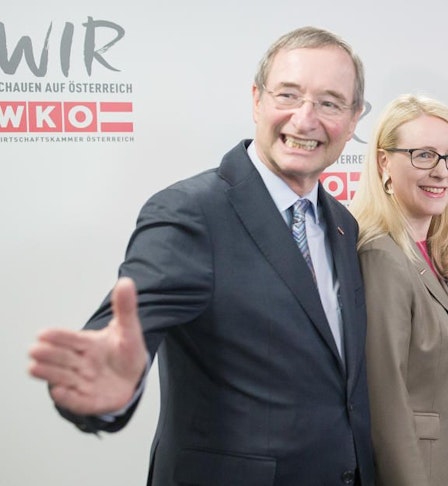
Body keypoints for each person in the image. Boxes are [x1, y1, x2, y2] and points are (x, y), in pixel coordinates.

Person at [27, 27, 374, 486]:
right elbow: (123, 330)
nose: (305, 119)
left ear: (352, 121)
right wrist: (111, 387)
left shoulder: (343, 223)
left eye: (330, 103)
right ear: (256, 100)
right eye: (288, 95)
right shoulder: (191, 212)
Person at [349, 94, 448, 485]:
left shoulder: (425, 254)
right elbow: (385, 405)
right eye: (423, 155)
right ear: (384, 163)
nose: (442, 171)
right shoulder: (382, 257)